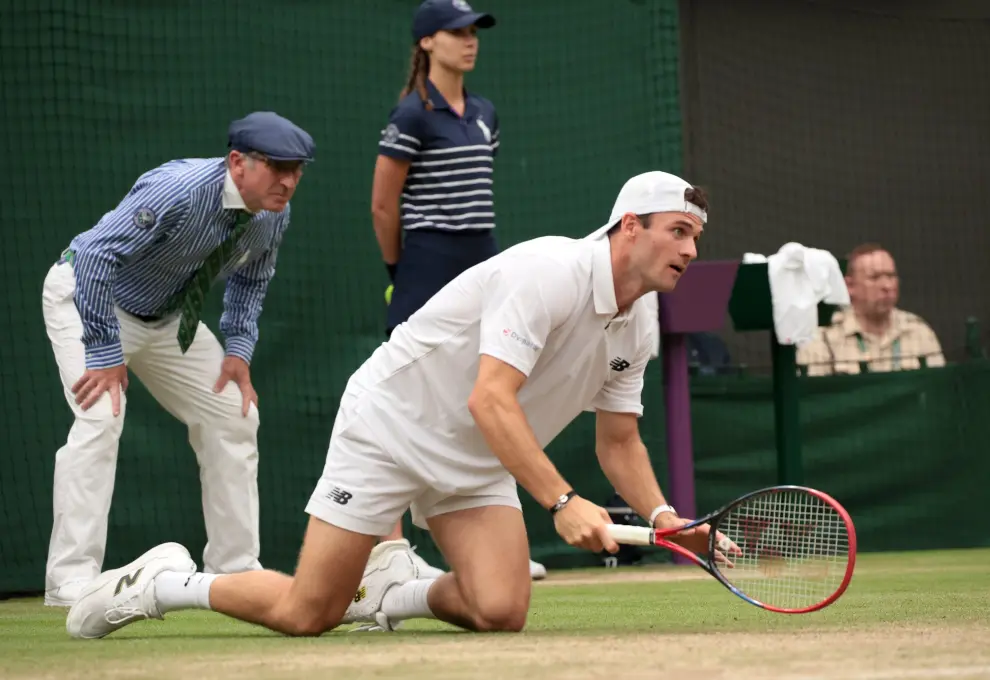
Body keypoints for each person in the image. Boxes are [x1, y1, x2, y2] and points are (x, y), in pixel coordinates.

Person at [66, 170, 735, 640]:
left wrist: (663, 518)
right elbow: (491, 397)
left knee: (500, 609)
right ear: (629, 226)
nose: (690, 250)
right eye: (677, 231)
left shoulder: (640, 321)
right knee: (309, 612)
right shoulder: (549, 274)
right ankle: (162, 584)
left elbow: (618, 441)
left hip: (476, 455)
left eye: (696, 238)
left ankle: (392, 596)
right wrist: (562, 503)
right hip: (392, 424)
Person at [41, 111, 314, 607]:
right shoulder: (179, 190)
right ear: (237, 163)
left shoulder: (274, 212)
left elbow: (252, 280)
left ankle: (234, 571)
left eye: (296, 169)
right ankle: (70, 582)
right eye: (277, 167)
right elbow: (97, 256)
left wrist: (237, 350)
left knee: (235, 414)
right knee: (100, 419)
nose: (289, 180)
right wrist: (104, 350)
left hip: (166, 321)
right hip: (88, 298)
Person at [370, 0, 545, 579]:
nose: (469, 42)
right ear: (426, 43)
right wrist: (402, 272)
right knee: (407, 399)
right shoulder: (410, 116)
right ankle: (386, 549)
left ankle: (489, 550)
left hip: (481, 261)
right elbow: (383, 204)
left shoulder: (486, 113)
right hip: (424, 261)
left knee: (485, 395)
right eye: (456, 33)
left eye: (473, 33)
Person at [796, 243, 945, 376]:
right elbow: (813, 401)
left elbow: (940, 393)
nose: (887, 286)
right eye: (875, 277)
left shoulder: (918, 332)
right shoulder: (823, 338)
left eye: (891, 276)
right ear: (849, 286)